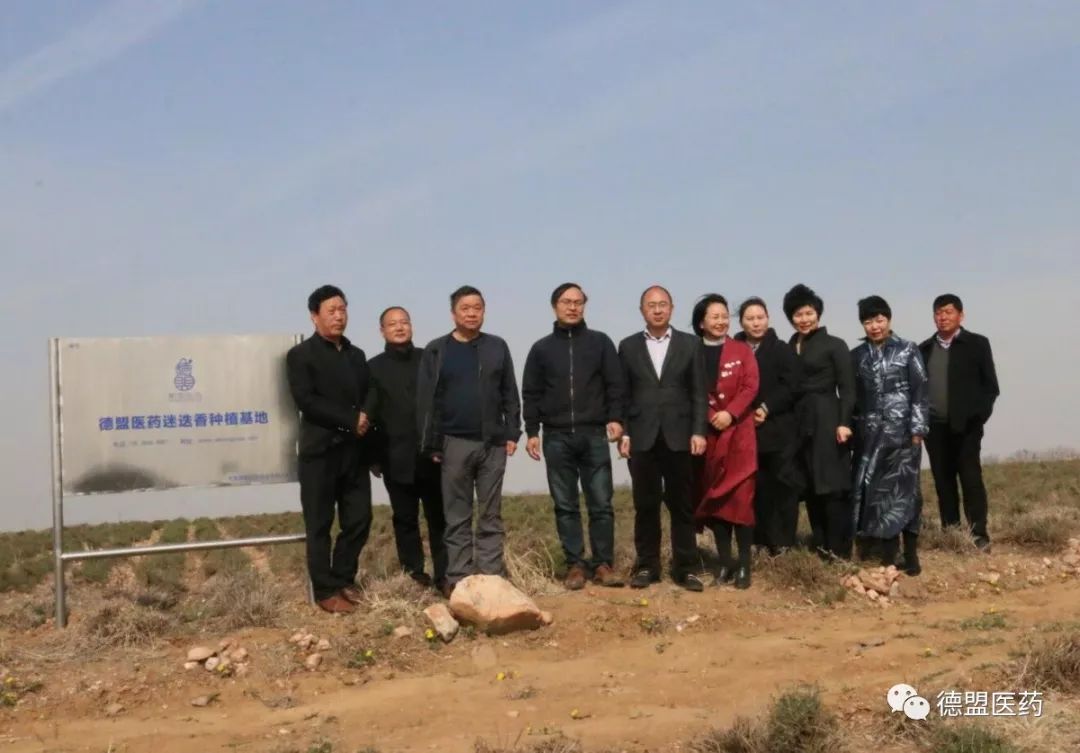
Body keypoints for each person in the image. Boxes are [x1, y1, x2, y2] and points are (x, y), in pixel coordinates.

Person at [416, 286, 521, 597]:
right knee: (457, 516)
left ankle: (491, 577)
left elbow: (509, 392)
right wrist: (432, 443)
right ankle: (459, 579)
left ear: (484, 312)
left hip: (493, 443)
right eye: (465, 308)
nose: (472, 313)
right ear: (453, 313)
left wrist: (512, 432)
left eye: (478, 307)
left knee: (490, 514)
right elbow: (427, 401)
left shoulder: (497, 346)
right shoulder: (437, 350)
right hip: (453, 443)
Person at [523, 283, 626, 590]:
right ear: (554, 305)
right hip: (556, 436)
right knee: (565, 505)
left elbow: (615, 384)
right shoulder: (541, 349)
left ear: (584, 306)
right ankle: (575, 565)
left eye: (578, 302)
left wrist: (616, 418)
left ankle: (603, 564)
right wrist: (532, 431)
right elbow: (531, 392)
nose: (572, 307)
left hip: (594, 433)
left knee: (601, 503)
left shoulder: (600, 342)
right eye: (566, 302)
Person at [285, 285, 373, 614]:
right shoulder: (300, 356)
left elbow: (369, 393)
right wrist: (350, 419)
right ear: (314, 316)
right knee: (320, 524)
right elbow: (307, 401)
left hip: (354, 452)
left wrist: (365, 419)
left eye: (342, 309)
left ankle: (344, 578)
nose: (339, 316)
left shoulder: (356, 355)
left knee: (359, 518)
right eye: (331, 311)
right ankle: (325, 591)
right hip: (319, 453)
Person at [618, 285, 708, 591]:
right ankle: (647, 566)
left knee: (682, 505)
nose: (657, 310)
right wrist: (625, 432)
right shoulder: (628, 346)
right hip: (642, 436)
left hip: (680, 435)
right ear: (642, 310)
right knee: (645, 505)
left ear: (671, 308)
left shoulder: (690, 344)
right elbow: (623, 394)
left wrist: (698, 430)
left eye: (663, 304)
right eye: (651, 305)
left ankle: (687, 568)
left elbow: (699, 392)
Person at [367, 306, 447, 592]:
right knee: (404, 519)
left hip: (433, 455)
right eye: (393, 324)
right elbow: (370, 415)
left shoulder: (430, 359)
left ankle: (445, 575)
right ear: (382, 331)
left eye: (404, 322)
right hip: (394, 456)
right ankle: (414, 576)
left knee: (440, 518)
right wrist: (374, 457)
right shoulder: (372, 368)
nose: (399, 327)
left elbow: (443, 404)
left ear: (411, 326)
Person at [850, 296, 929, 575]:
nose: (875, 326)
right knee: (878, 493)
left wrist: (918, 429)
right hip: (870, 436)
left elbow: (920, 390)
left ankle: (911, 553)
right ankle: (887, 554)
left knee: (908, 493)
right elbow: (854, 398)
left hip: (904, 434)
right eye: (868, 321)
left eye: (879, 320)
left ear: (889, 319)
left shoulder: (908, 349)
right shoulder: (857, 355)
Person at [919, 294, 1000, 552]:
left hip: (966, 428)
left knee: (970, 479)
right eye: (938, 313)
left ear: (960, 315)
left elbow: (991, 387)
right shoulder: (924, 349)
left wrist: (978, 417)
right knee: (943, 482)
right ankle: (951, 533)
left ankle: (979, 534)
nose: (943, 317)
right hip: (935, 428)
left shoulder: (977, 344)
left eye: (948, 312)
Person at [691, 295, 760, 589]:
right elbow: (690, 390)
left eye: (724, 316)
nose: (721, 321)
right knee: (717, 501)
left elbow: (750, 386)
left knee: (741, 502)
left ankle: (744, 565)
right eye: (714, 316)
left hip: (740, 435)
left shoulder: (742, 350)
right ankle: (725, 563)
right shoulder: (692, 351)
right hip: (709, 436)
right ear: (701, 322)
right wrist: (710, 415)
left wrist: (730, 413)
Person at [782, 284, 856, 560]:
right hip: (798, 421)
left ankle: (840, 549)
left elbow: (847, 388)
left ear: (818, 314)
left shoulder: (835, 344)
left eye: (809, 313)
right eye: (798, 314)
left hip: (827, 417)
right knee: (810, 484)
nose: (804, 319)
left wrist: (844, 422)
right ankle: (821, 543)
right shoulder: (789, 346)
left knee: (832, 484)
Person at [734, 297, 803, 555]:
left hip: (779, 430)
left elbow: (792, 385)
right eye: (750, 318)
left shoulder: (781, 349)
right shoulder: (734, 350)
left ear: (768, 319)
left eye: (760, 317)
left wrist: (766, 407)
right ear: (741, 322)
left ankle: (783, 542)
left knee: (783, 486)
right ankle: (758, 540)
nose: (756, 323)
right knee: (755, 488)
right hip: (744, 430)